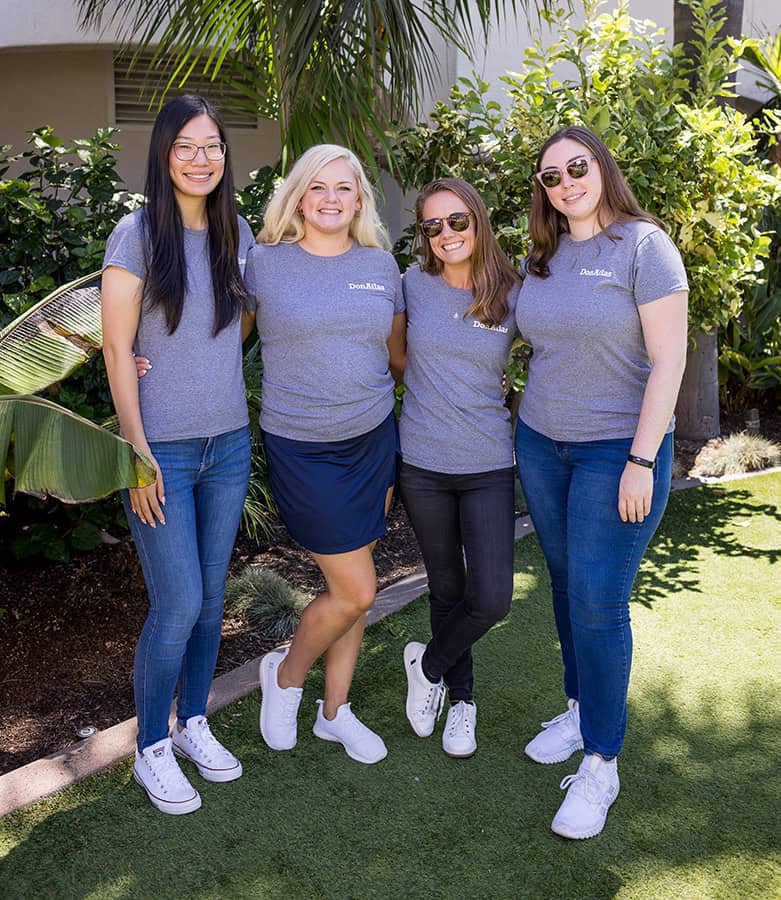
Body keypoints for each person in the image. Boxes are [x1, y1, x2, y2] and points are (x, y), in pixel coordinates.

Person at [514, 126, 688, 839]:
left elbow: (669, 361)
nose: (566, 184)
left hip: (616, 451)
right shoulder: (542, 255)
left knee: (596, 600)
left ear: (601, 167)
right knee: (564, 583)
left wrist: (641, 461)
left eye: (576, 167)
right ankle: (579, 707)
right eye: (551, 177)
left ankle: (601, 762)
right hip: (540, 443)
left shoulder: (645, 247)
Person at [102, 94, 255, 815]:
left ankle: (193, 722)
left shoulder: (235, 231)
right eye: (185, 147)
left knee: (212, 600)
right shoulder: (136, 235)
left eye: (212, 145)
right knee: (179, 603)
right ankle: (151, 748)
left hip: (228, 444)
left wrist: (192, 361)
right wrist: (137, 454)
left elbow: (240, 323)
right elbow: (115, 346)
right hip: (160, 449)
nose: (201, 158)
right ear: (164, 156)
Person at [245, 144, 406, 765]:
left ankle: (335, 712)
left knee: (354, 579)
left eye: (344, 187)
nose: (331, 198)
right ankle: (285, 677)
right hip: (302, 447)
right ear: (298, 197)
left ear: (360, 199)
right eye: (317, 186)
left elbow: (399, 358)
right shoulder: (265, 264)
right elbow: (222, 339)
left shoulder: (380, 266)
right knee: (357, 590)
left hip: (372, 439)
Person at [398, 179, 522, 758]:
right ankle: (462, 700)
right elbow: (393, 355)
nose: (446, 234)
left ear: (478, 220)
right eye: (433, 226)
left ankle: (425, 667)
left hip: (488, 462)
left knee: (492, 597)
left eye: (457, 221)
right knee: (446, 588)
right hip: (422, 463)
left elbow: (560, 345)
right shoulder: (411, 286)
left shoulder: (514, 291)